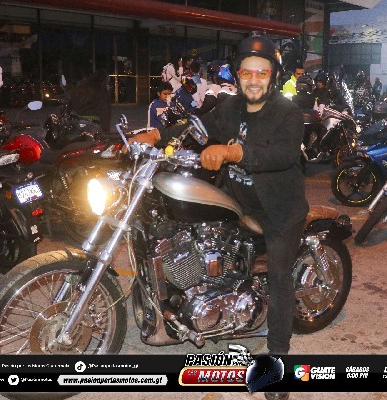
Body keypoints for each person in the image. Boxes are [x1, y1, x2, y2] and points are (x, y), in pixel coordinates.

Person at [130, 34, 308, 400]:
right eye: (247, 73)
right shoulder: (231, 106)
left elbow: (283, 154)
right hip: (236, 198)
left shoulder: (286, 113)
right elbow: (198, 127)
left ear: (273, 76)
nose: (254, 80)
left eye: (261, 73)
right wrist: (156, 134)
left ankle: (278, 361)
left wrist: (233, 153)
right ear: (238, 75)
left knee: (279, 278)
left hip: (277, 208)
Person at [69, 69, 112, 133]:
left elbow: (70, 104)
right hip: (93, 124)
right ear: (104, 81)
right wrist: (106, 129)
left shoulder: (79, 89)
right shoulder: (102, 92)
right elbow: (104, 111)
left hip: (76, 122)